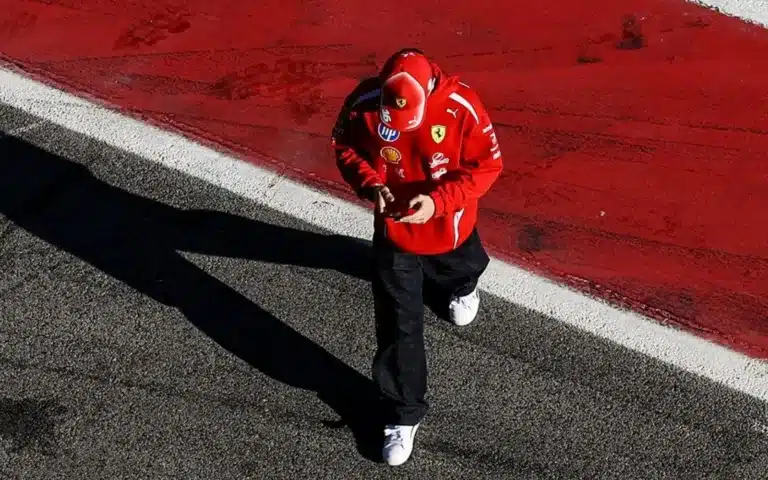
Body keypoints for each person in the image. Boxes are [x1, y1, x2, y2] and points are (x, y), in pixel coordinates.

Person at [331, 48, 503, 466]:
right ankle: (402, 412)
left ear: (429, 91)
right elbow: (345, 146)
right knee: (397, 321)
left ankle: (462, 285)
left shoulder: (463, 106)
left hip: (449, 225)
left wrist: (440, 202)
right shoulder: (364, 104)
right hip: (395, 233)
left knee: (461, 265)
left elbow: (488, 165)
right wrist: (370, 184)